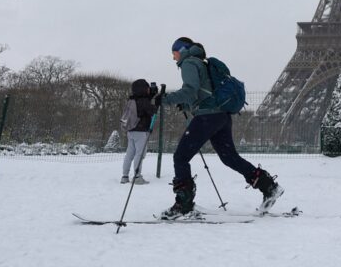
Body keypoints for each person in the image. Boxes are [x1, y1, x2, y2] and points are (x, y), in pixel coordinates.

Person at [156, 37, 284, 219]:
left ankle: (183, 205)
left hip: (207, 118)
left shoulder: (189, 63)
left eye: (174, 53)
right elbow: (204, 92)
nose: (173, 58)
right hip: (221, 116)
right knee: (229, 157)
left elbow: (191, 90)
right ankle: (269, 187)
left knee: (181, 157)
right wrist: (186, 105)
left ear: (182, 50)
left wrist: (164, 99)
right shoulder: (202, 62)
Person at [119, 79, 156, 184]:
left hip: (131, 130)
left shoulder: (132, 99)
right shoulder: (144, 101)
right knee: (140, 154)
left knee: (129, 154)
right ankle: (137, 177)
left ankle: (125, 176)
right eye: (147, 88)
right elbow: (152, 110)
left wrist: (150, 96)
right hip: (140, 131)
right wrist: (156, 103)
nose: (149, 90)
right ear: (144, 89)